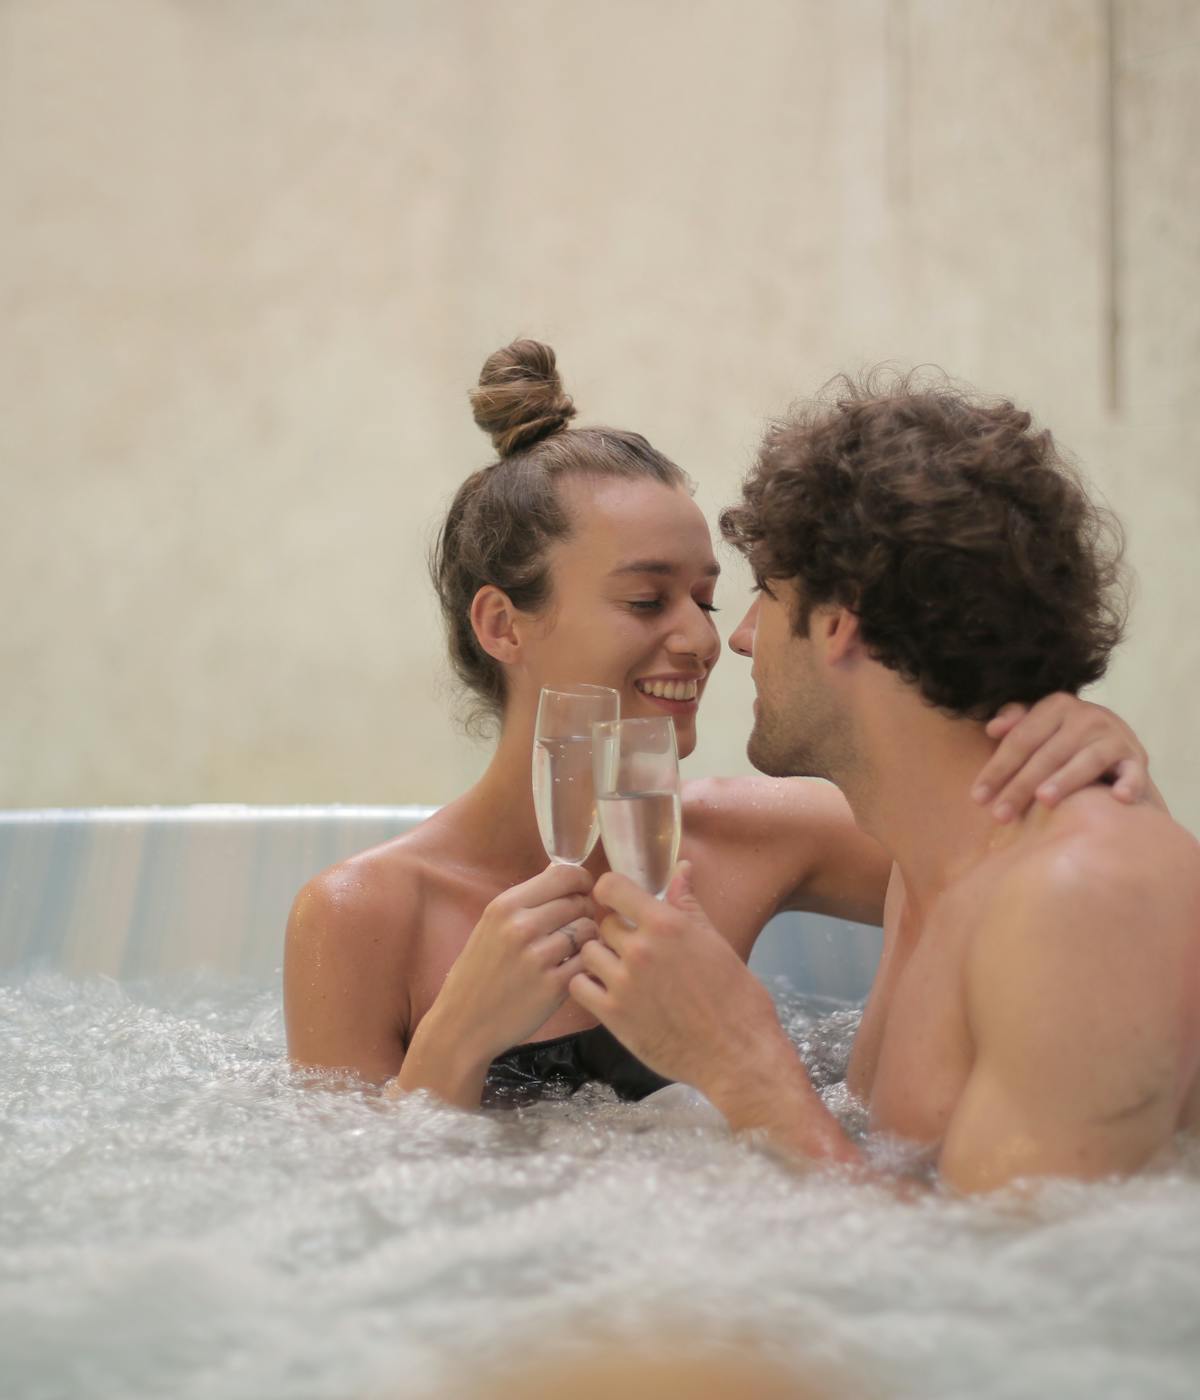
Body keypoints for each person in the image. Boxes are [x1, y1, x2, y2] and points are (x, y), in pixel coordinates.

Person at [284, 343, 1154, 1110]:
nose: (703, 639)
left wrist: (1099, 755)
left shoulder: (754, 838)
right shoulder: (364, 917)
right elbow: (348, 1235)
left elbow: (1039, 874)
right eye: (645, 599)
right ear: (503, 626)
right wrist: (453, 1044)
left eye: (709, 597)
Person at [570, 371, 1200, 1191]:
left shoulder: (1076, 899)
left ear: (839, 624)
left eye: (764, 594)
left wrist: (744, 1069)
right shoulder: (929, 854)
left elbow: (1019, 1301)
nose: (747, 640)